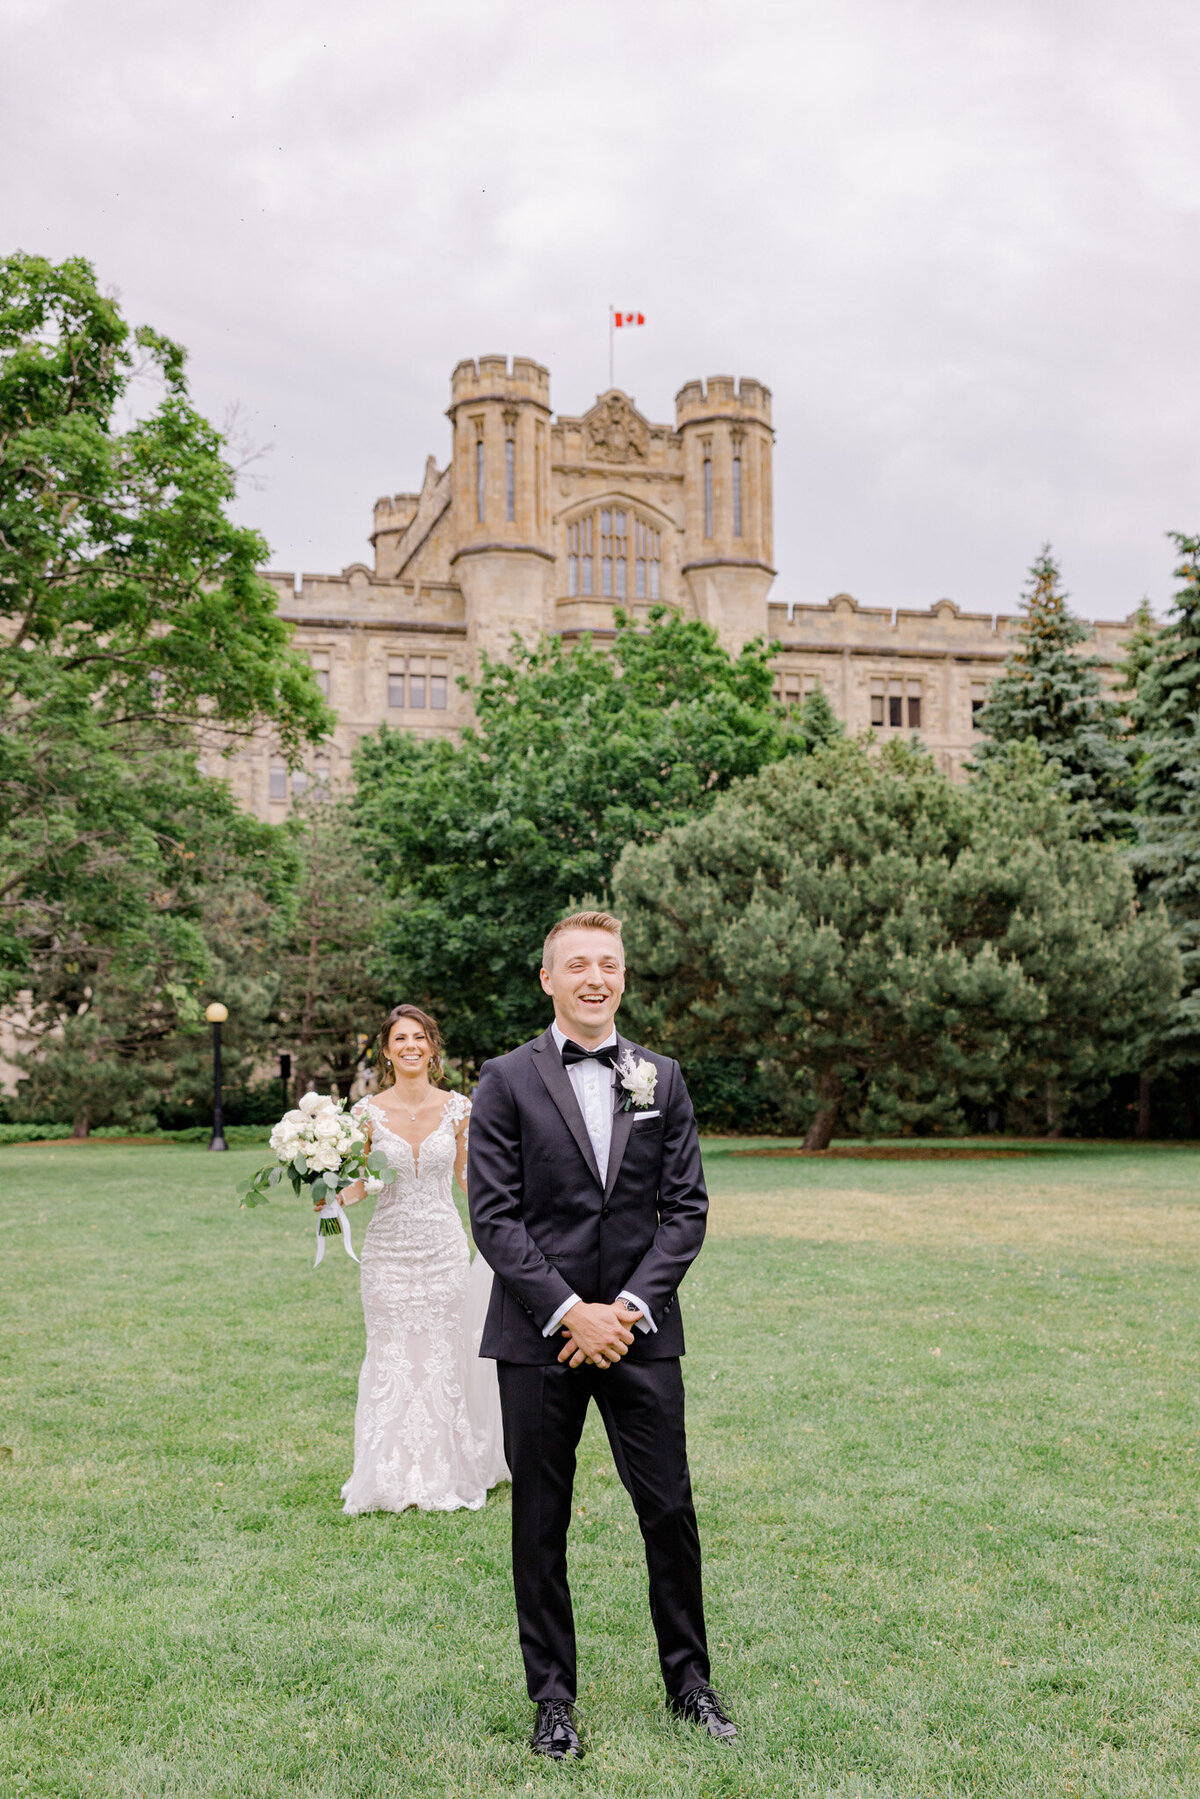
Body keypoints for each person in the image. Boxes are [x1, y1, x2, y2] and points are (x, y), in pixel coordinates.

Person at [467, 910, 735, 1760]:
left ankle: (689, 1683)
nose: (594, 976)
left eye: (608, 963)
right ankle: (552, 1701)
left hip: (639, 1332)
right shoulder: (505, 1079)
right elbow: (495, 1215)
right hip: (536, 1333)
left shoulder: (661, 1074)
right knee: (539, 1522)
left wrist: (622, 1309)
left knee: (670, 1510)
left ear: (623, 976)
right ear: (546, 978)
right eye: (576, 963)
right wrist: (567, 1309)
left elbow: (685, 1209)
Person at [335, 1003, 508, 1514]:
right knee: (389, 1354)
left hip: (442, 1248)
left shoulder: (459, 1108)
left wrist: (508, 1216)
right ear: (386, 1051)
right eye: (399, 1039)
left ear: (432, 1048)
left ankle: (447, 1470)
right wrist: (328, 1191)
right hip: (387, 1250)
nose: (410, 1046)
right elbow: (359, 1184)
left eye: (419, 1037)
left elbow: (469, 1180)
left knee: (445, 1353)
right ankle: (385, 1472)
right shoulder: (364, 1113)